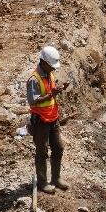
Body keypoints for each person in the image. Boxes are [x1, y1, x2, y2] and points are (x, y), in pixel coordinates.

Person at [26, 46, 70, 194]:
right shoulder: (34, 79)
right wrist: (52, 94)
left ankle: (56, 178)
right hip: (40, 122)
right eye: (51, 66)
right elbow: (33, 101)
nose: (53, 69)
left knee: (58, 148)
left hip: (53, 119)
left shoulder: (49, 74)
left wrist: (59, 88)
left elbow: (50, 93)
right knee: (42, 152)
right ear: (44, 62)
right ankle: (43, 182)